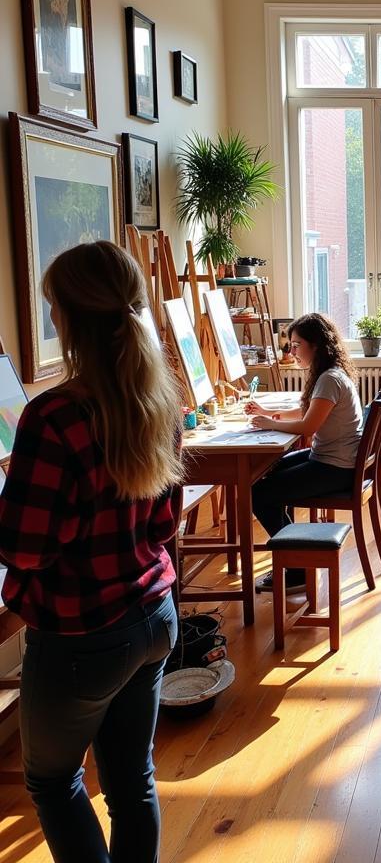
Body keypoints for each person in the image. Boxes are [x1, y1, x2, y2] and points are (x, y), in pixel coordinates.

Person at [0, 241, 183, 863]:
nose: (51, 316)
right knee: (132, 782)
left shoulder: (52, 416)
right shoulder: (160, 402)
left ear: (70, 319)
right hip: (154, 615)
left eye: (53, 305)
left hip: (80, 635)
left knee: (53, 782)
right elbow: (162, 524)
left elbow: (25, 549)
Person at [247, 313, 362, 592]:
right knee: (268, 471)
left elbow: (309, 425)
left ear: (316, 345)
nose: (291, 351)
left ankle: (297, 568)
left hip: (335, 468)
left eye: (296, 345)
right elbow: (311, 411)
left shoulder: (329, 379)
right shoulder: (330, 374)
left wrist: (269, 423)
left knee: (259, 493)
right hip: (333, 459)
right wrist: (269, 415)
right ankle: (293, 556)